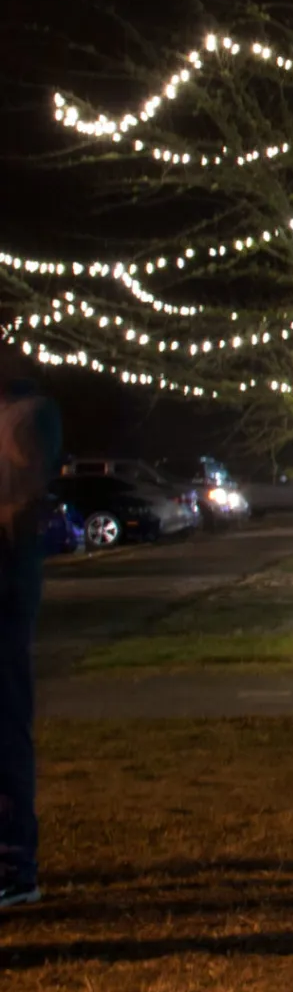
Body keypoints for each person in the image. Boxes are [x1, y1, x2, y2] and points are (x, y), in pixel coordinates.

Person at [0, 354, 60, 911]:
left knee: (5, 724)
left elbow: (22, 495)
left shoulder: (27, 414)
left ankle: (16, 865)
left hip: (7, 583)